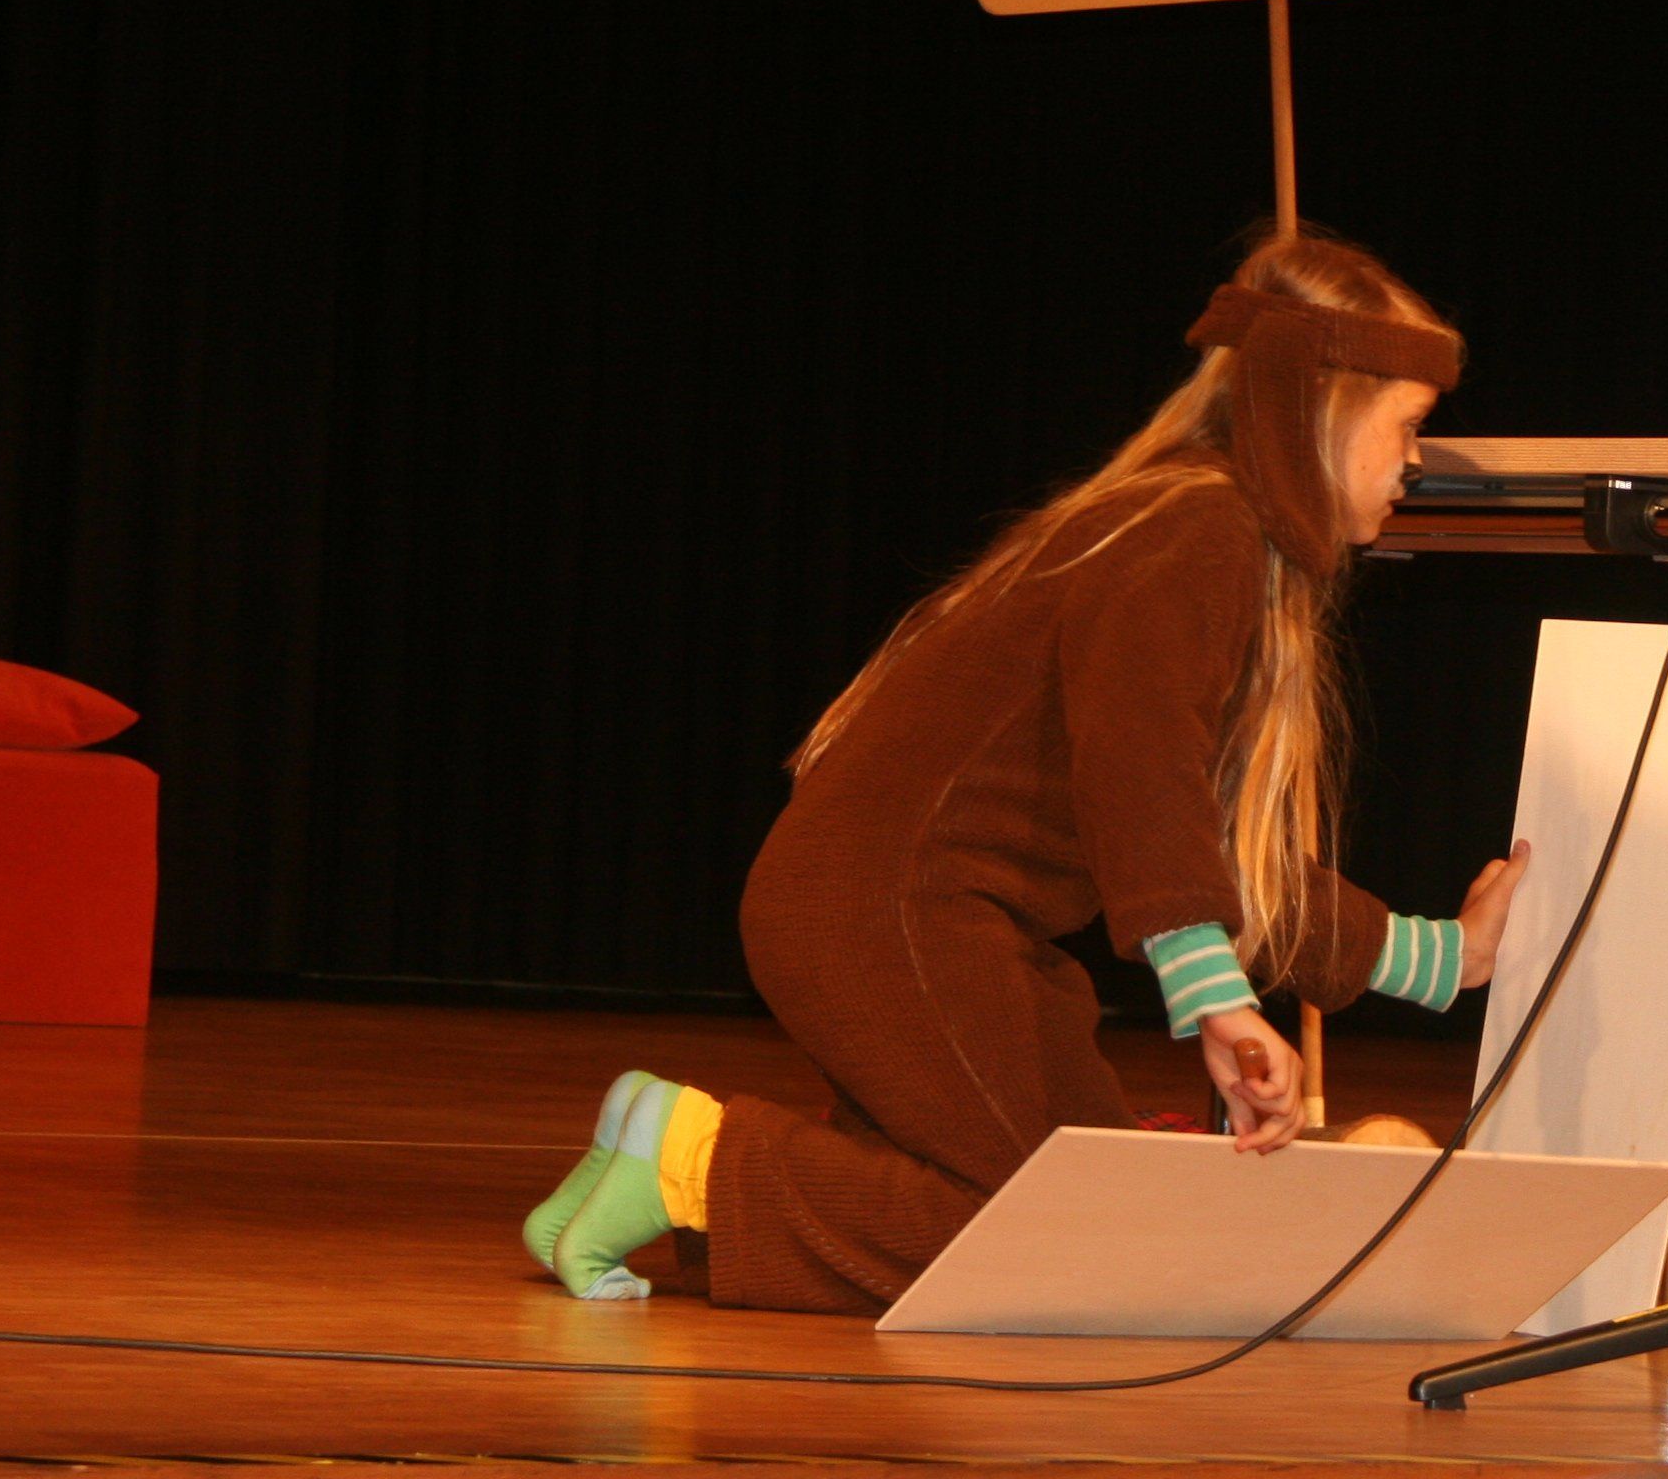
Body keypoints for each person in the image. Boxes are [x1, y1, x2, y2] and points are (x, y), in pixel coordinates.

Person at [521, 233, 1532, 1311]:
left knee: (1082, 1212)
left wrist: (1443, 957)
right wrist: (1218, 1002)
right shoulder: (1201, 531)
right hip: (899, 916)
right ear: (1317, 407)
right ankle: (688, 1159)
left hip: (923, 919)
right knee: (1058, 1238)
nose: (1415, 461)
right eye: (1407, 425)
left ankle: (635, 1168)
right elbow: (1142, 777)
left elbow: (1207, 847)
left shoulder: (1186, 522)